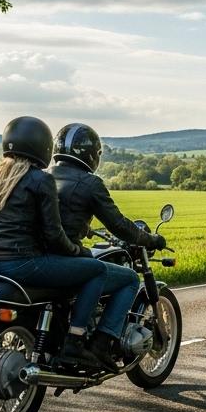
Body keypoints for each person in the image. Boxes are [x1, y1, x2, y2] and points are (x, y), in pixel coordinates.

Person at [0, 116, 112, 369]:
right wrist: (77, 250)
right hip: (23, 264)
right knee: (98, 270)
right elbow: (53, 234)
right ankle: (75, 341)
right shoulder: (40, 179)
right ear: (43, 147)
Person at [48, 122, 166, 369]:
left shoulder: (43, 175)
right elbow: (120, 225)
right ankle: (100, 344)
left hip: (37, 255)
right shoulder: (90, 183)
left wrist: (84, 227)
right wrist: (151, 239)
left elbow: (54, 215)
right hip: (64, 258)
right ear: (92, 154)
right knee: (129, 279)